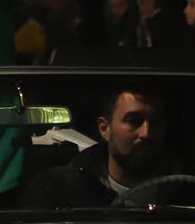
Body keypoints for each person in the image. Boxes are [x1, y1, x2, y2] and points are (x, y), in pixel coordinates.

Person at [23, 87, 168, 206]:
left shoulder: (185, 191)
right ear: (104, 128)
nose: (146, 133)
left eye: (156, 121)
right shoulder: (59, 192)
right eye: (134, 121)